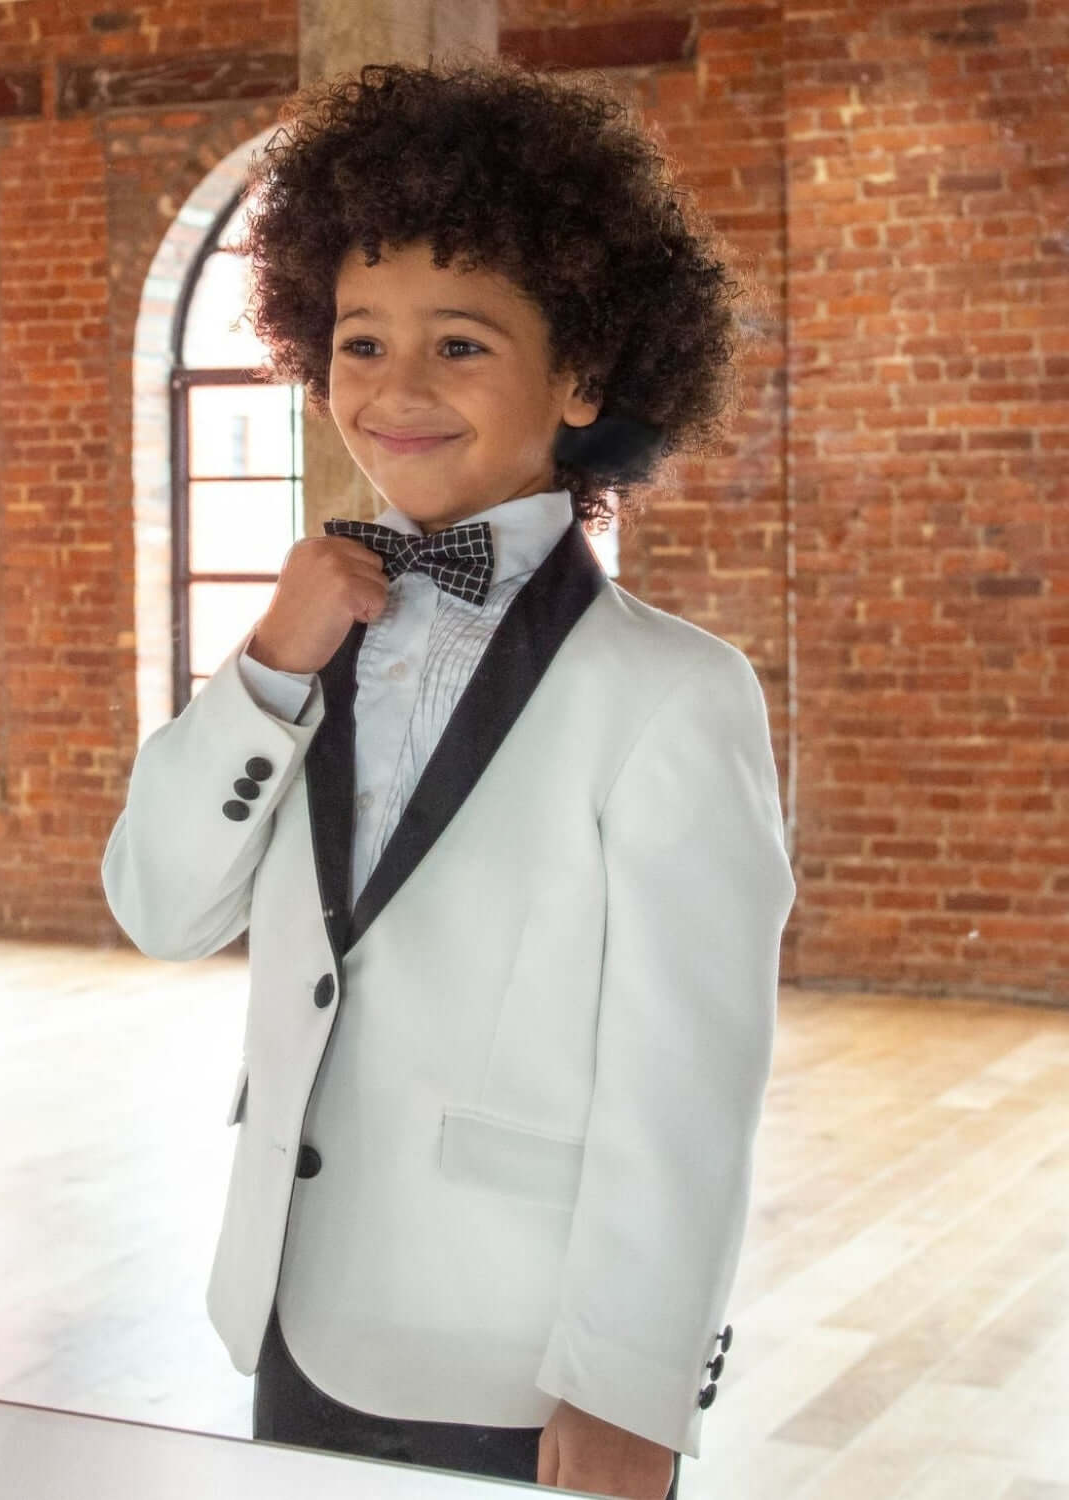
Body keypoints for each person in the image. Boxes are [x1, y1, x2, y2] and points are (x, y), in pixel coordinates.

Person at [102, 53, 795, 1500]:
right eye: (360, 342)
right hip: (291, 1314)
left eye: (461, 345)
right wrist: (270, 667)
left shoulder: (675, 696)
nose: (396, 389)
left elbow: (689, 1084)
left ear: (587, 371)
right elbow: (161, 906)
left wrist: (632, 1386)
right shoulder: (301, 648)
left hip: (519, 1359)